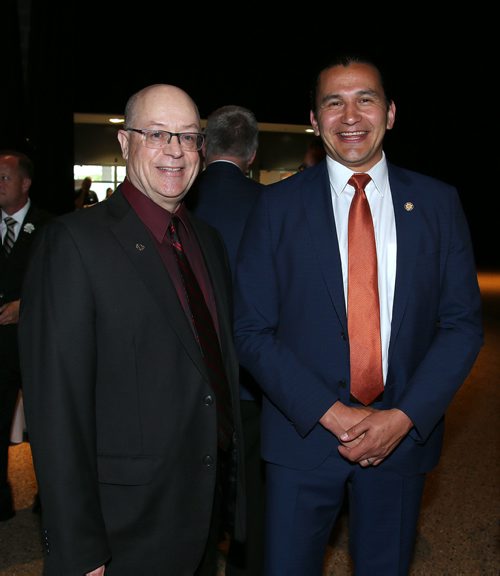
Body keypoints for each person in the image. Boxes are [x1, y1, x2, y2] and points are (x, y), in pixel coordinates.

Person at [233, 54, 483, 575]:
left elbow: (461, 326)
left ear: (390, 113)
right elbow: (251, 330)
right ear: (314, 118)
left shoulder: (438, 205)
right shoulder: (275, 209)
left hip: (401, 441)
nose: (350, 116)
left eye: (365, 100)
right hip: (303, 439)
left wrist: (404, 416)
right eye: (334, 102)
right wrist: (333, 413)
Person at [19, 84, 245, 576]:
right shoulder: (72, 245)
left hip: (202, 514)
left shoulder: (206, 241)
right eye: (156, 134)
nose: (175, 151)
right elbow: (56, 410)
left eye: (188, 137)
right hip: (124, 528)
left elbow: (213, 374)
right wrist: (80, 549)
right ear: (124, 144)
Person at [188, 105, 265, 576]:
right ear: (252, 154)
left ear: (202, 147)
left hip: (189, 376)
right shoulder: (272, 204)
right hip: (253, 378)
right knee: (253, 492)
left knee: (195, 492)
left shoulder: (177, 202)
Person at [0, 150, 51, 521]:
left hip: (37, 346)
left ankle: (49, 500)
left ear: (25, 183)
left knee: (47, 428)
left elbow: (60, 286)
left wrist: (25, 305)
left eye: (4, 177)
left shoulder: (51, 228)